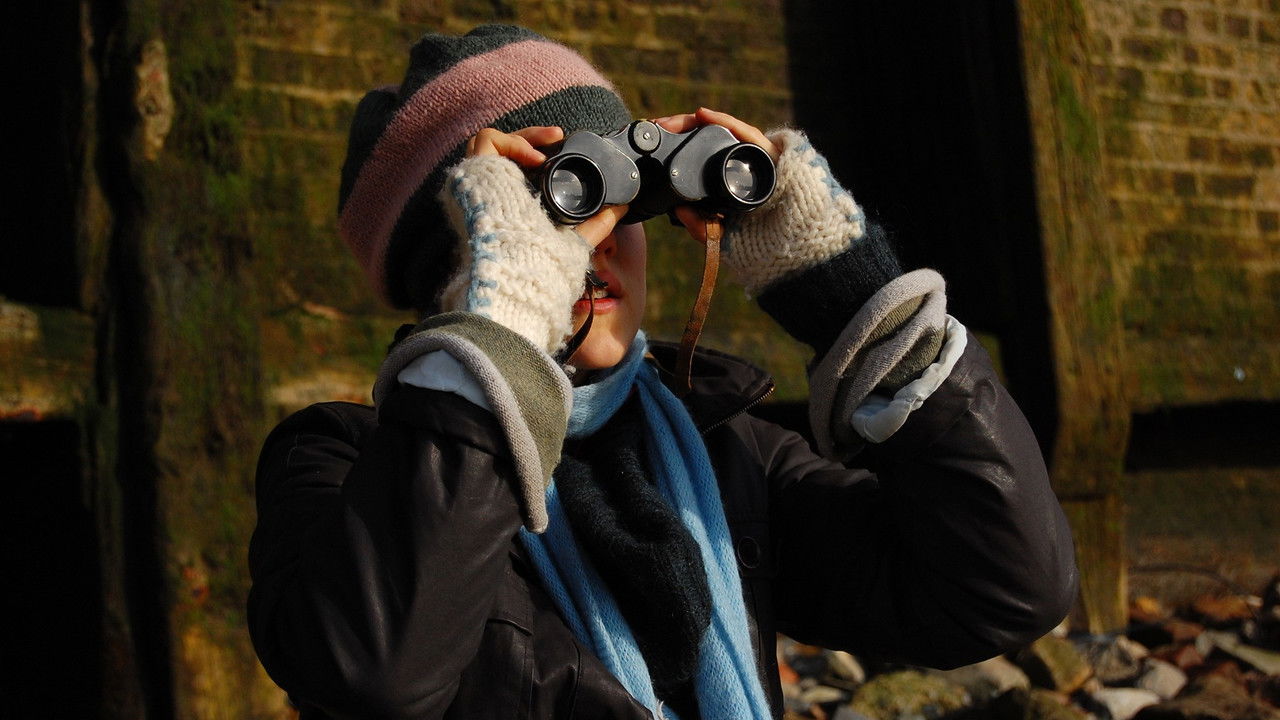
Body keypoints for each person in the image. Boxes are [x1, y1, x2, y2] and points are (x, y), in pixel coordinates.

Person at [247, 24, 1077, 720]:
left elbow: (996, 591)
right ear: (462, 253)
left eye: (621, 199)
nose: (602, 237)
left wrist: (847, 294)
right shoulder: (339, 462)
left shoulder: (721, 454)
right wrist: (504, 315)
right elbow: (374, 674)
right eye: (556, 196)